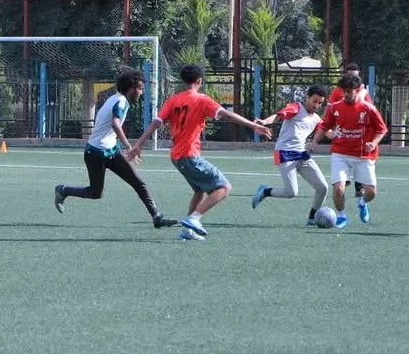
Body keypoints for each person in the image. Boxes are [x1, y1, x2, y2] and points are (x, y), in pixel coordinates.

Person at [129, 64, 273, 241]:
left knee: (199, 191)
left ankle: (188, 231)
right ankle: (194, 218)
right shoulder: (202, 99)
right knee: (224, 187)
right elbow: (226, 115)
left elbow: (156, 123)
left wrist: (138, 145)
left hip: (176, 156)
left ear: (183, 81)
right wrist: (253, 125)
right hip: (190, 155)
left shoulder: (173, 100)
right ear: (199, 80)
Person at [53, 68, 178, 229]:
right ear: (130, 88)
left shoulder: (116, 99)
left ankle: (157, 217)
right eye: (139, 88)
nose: (141, 92)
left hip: (111, 150)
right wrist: (129, 147)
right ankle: (63, 190)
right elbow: (115, 123)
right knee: (95, 193)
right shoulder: (121, 101)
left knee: (139, 183)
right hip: (96, 153)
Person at [308, 73, 388, 228]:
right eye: (343, 91)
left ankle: (363, 202)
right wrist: (314, 141)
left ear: (357, 90)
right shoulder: (336, 107)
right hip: (340, 153)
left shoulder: (368, 109)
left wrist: (373, 143)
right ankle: (341, 216)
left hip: (364, 155)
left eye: (348, 91)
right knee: (338, 188)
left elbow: (382, 130)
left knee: (371, 193)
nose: (345, 95)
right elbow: (325, 126)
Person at [251, 85, 330, 226]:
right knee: (291, 192)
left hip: (301, 154)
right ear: (307, 97)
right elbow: (278, 116)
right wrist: (264, 122)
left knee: (323, 187)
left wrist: (345, 134)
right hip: (285, 152)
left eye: (320, 103)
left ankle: (312, 218)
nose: (316, 105)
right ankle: (265, 191)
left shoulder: (316, 118)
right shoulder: (296, 108)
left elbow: (328, 133)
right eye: (314, 101)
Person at [328, 62, 373, 201]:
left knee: (360, 160)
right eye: (349, 75)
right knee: (342, 159)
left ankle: (359, 188)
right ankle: (343, 181)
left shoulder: (364, 92)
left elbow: (371, 110)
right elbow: (330, 108)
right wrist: (330, 127)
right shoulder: (338, 91)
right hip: (343, 133)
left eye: (355, 76)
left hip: (359, 134)